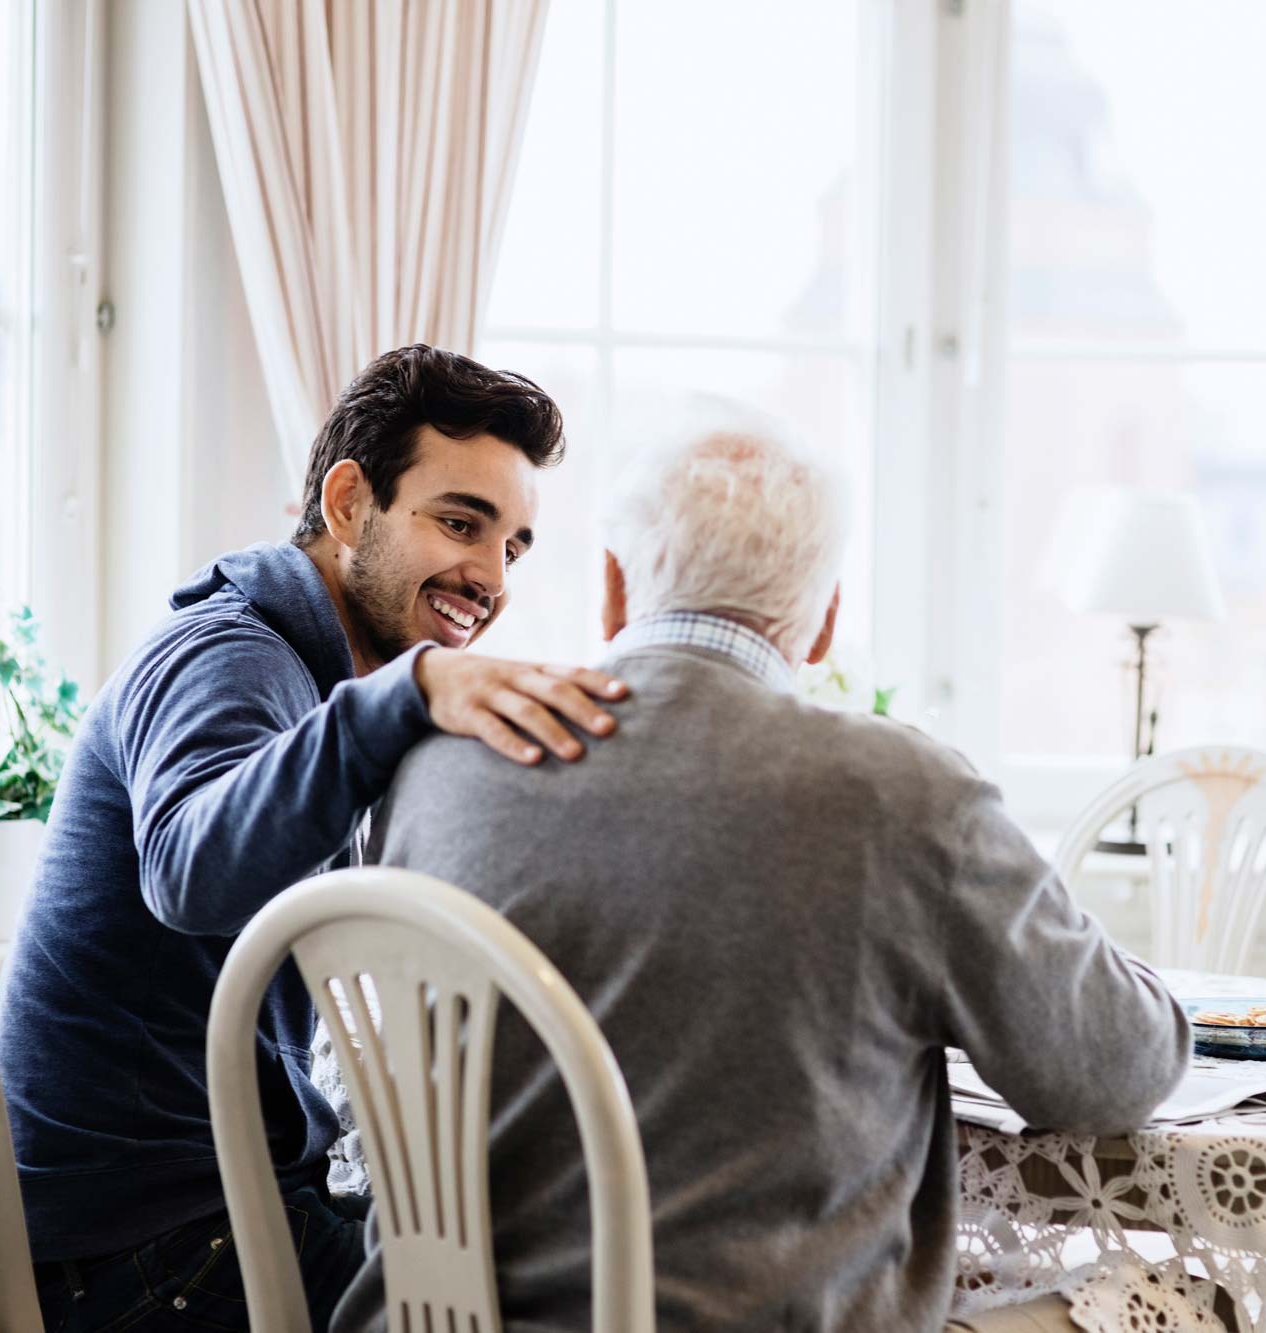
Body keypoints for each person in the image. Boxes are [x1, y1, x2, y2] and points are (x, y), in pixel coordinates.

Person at [334, 415, 1190, 1333]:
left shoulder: (433, 767)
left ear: (615, 591)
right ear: (822, 621)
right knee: (1178, 1301)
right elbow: (1110, 1071)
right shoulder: (906, 793)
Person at [0, 346, 631, 1332]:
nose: (487, 576)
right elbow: (190, 871)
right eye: (459, 522)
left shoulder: (302, 668)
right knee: (518, 1306)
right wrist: (406, 696)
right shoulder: (227, 651)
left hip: (168, 1217)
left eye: (512, 546)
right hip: (144, 1250)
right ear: (346, 503)